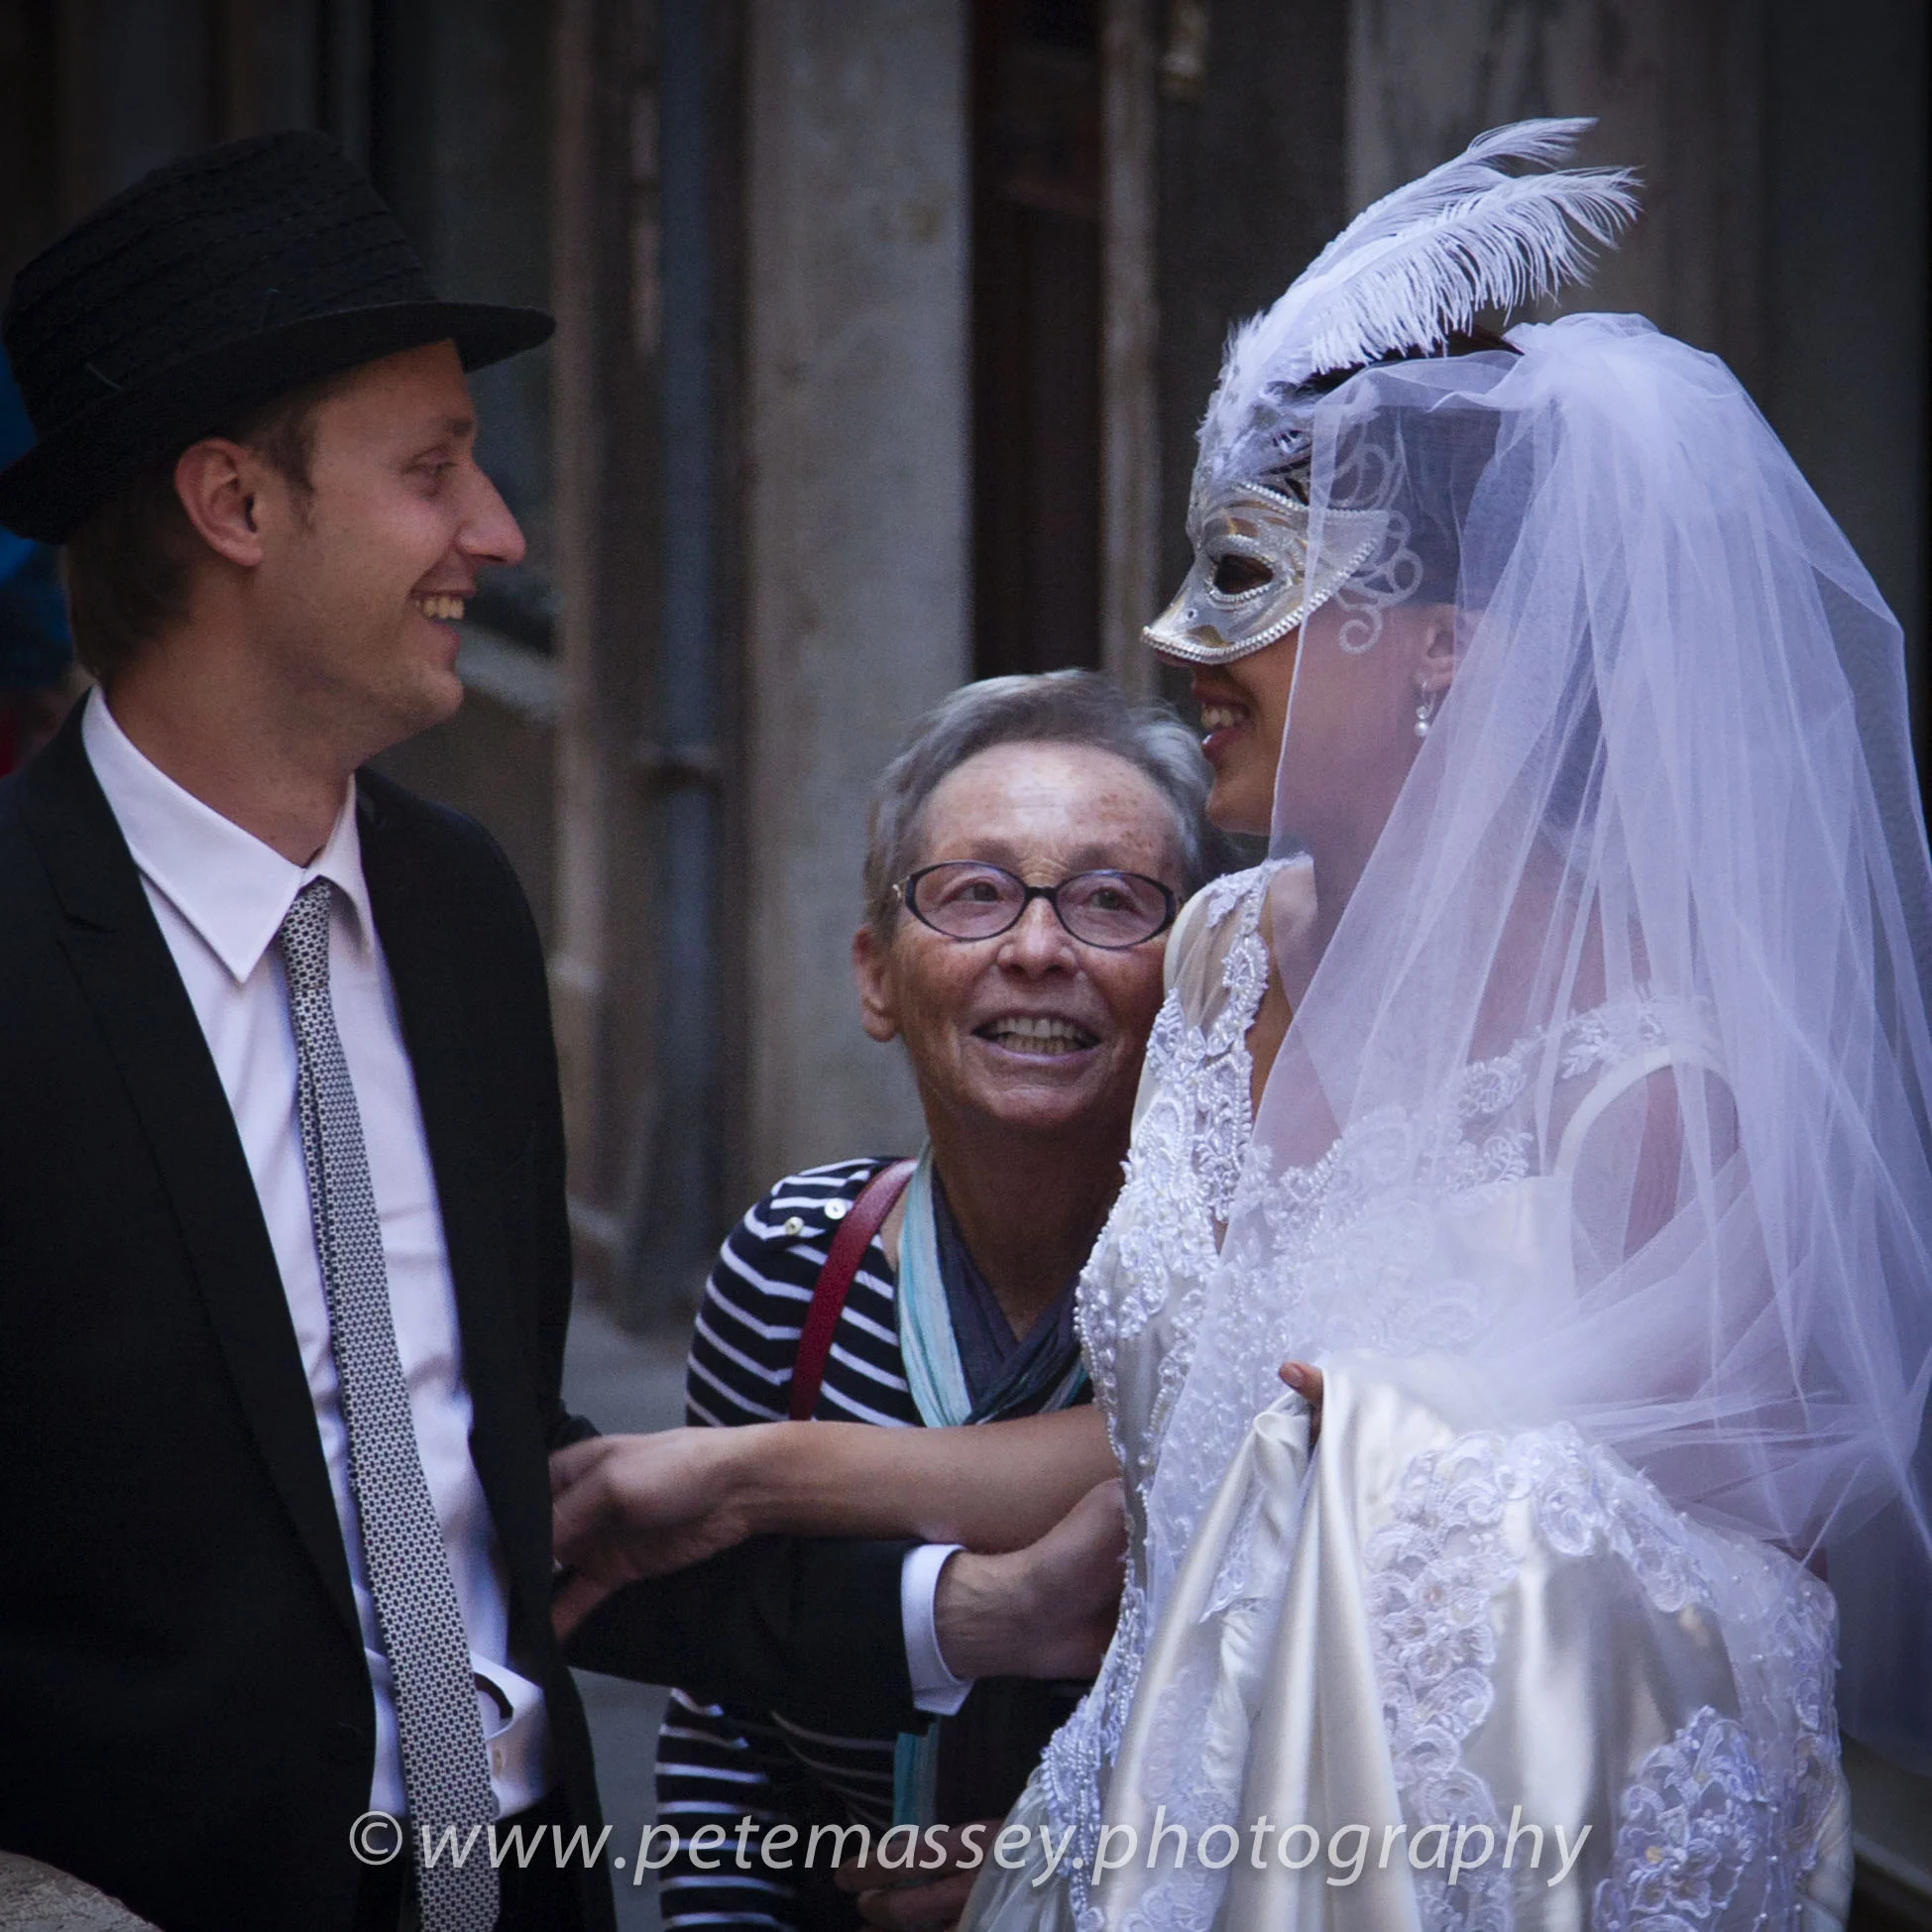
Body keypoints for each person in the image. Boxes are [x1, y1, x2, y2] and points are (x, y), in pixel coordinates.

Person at [554, 119, 1932, 1932]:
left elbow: (1701, 1635)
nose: (1177, 646)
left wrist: (1403, 1475)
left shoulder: (1647, 1090)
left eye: (1247, 585)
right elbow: (1183, 1432)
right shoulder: (1208, 960)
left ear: (1438, 643)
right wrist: (735, 1466)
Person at [0, 132, 1081, 1932]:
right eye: (433, 470)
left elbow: (474, 1486)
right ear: (233, 505)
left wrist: (950, 1613)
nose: (496, 534)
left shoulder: (458, 906)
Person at [648, 672, 1216, 1929]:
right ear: (875, 975)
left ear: (1199, 979)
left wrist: (1068, 1869)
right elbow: (724, 1715)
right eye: (973, 892)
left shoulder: (1246, 1294)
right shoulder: (796, 1263)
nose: (1036, 947)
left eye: (1110, 900)